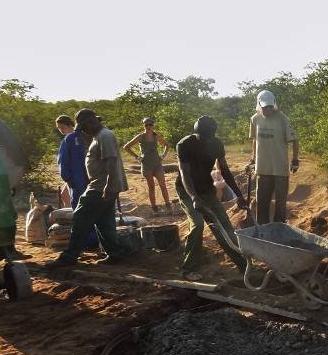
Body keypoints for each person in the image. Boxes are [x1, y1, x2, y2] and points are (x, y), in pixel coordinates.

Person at [46, 109, 129, 268]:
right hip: (104, 186)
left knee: (80, 218)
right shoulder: (100, 136)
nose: (83, 131)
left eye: (83, 127)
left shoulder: (104, 136)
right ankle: (114, 253)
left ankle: (70, 256)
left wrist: (108, 186)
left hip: (100, 187)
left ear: (91, 122)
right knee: (104, 222)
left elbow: (111, 161)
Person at [176, 115, 248, 281]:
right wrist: (194, 197)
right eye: (204, 137)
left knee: (224, 226)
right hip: (188, 191)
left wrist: (239, 195)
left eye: (209, 137)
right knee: (198, 225)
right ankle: (188, 269)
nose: (206, 140)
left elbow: (225, 170)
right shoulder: (184, 145)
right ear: (197, 133)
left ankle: (243, 264)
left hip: (207, 190)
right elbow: (184, 174)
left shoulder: (216, 144)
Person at [249, 90, 299, 224]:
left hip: (280, 168)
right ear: (259, 105)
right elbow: (255, 140)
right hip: (262, 168)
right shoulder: (255, 119)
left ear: (274, 104)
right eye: (265, 107)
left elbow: (294, 139)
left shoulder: (283, 119)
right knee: (262, 201)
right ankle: (263, 228)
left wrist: (295, 160)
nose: (268, 109)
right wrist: (253, 159)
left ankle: (279, 227)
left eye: (270, 106)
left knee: (280, 203)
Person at [123, 117, 171, 214]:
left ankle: (168, 207)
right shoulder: (140, 136)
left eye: (150, 124)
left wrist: (163, 155)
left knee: (163, 185)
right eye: (146, 125)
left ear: (153, 125)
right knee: (151, 187)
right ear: (143, 125)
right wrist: (137, 157)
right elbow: (126, 147)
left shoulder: (156, 136)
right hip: (146, 164)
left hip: (157, 163)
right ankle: (154, 209)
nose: (148, 126)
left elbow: (166, 145)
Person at [55, 114, 90, 209]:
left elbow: (63, 160)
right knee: (64, 195)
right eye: (59, 128)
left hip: (77, 176)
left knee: (77, 200)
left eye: (62, 127)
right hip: (77, 176)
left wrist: (67, 177)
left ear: (70, 125)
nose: (61, 130)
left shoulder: (71, 138)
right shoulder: (82, 136)